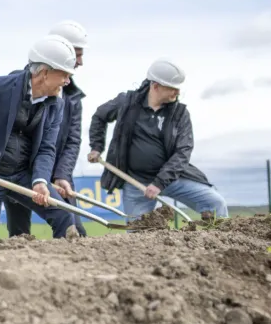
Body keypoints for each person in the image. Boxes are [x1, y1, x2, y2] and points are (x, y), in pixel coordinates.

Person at [87, 58, 228, 219]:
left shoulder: (180, 114)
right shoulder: (126, 103)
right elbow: (99, 116)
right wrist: (96, 147)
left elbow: (183, 151)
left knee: (216, 204)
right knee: (137, 230)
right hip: (136, 183)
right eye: (173, 88)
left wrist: (159, 183)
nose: (178, 92)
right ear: (155, 86)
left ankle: (220, 235)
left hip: (173, 179)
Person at [0, 35, 79, 242]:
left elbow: (47, 148)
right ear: (44, 73)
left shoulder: (57, 105)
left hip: (24, 176)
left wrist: (40, 180)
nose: (67, 81)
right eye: (65, 74)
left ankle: (64, 262)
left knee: (64, 217)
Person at [6, 20, 88, 238]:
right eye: (77, 54)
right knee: (19, 233)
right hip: (20, 171)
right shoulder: (19, 86)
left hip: (55, 170)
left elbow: (73, 140)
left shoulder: (73, 98)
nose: (80, 61)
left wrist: (61, 175)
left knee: (73, 227)